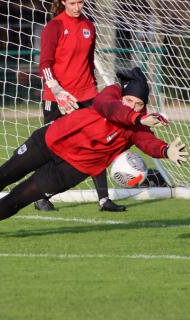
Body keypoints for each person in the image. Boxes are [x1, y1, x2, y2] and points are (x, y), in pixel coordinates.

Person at [0, 67, 189, 242]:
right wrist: (137, 117)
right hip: (51, 140)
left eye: (139, 104)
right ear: (123, 94)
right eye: (131, 100)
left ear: (145, 105)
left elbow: (146, 141)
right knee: (5, 174)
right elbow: (109, 108)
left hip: (71, 169)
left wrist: (166, 150)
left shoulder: (137, 124)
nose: (134, 106)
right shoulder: (111, 94)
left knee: (19, 198)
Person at [36, 0, 125, 212]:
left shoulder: (89, 26)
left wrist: (94, 92)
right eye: (73, 2)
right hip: (58, 98)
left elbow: (88, 62)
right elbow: (45, 64)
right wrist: (58, 92)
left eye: (81, 2)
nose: (77, 7)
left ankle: (104, 200)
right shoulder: (54, 27)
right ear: (63, 2)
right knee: (54, 149)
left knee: (98, 143)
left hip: (87, 95)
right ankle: (40, 196)